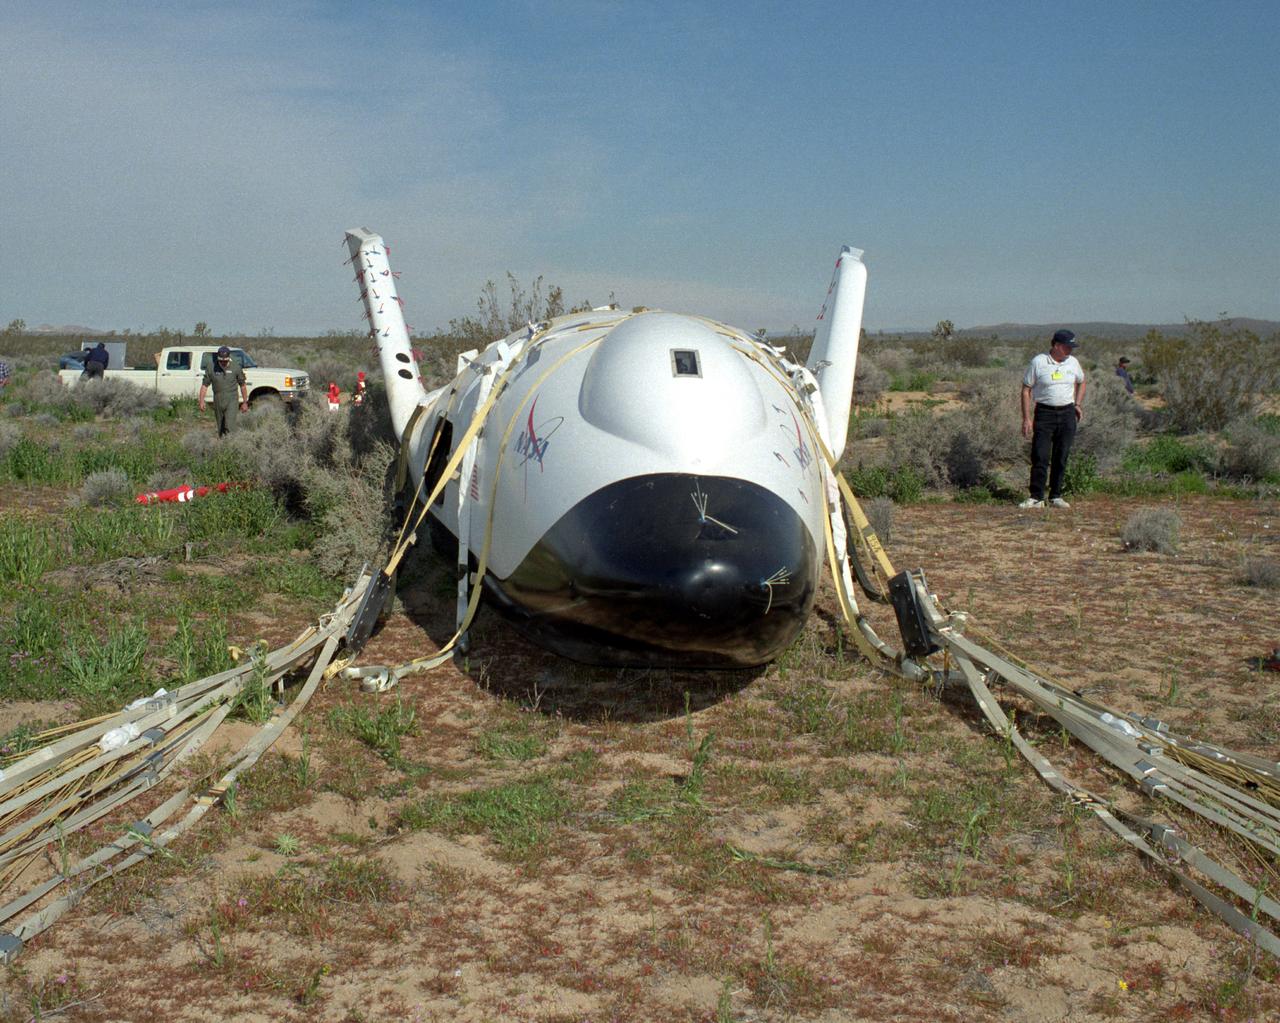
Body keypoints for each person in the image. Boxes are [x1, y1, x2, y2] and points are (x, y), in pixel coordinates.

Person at [1019, 329, 1086, 509]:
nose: (1070, 351)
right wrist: (1027, 418)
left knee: (1061, 455)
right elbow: (1026, 389)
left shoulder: (1073, 362)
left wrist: (1077, 404)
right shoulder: (1039, 362)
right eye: (1067, 347)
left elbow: (1082, 380)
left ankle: (1055, 495)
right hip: (1044, 413)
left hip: (1067, 413)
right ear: (1056, 345)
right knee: (1040, 455)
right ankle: (1036, 497)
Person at [198, 345, 248, 436]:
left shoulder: (236, 367)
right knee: (220, 427)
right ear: (218, 358)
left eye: (225, 361)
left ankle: (232, 444)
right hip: (218, 399)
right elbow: (204, 386)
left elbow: (243, 386)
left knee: (229, 425)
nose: (223, 363)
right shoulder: (211, 367)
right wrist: (201, 401)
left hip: (232, 399)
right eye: (221, 360)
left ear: (229, 358)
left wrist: (245, 402)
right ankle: (223, 446)